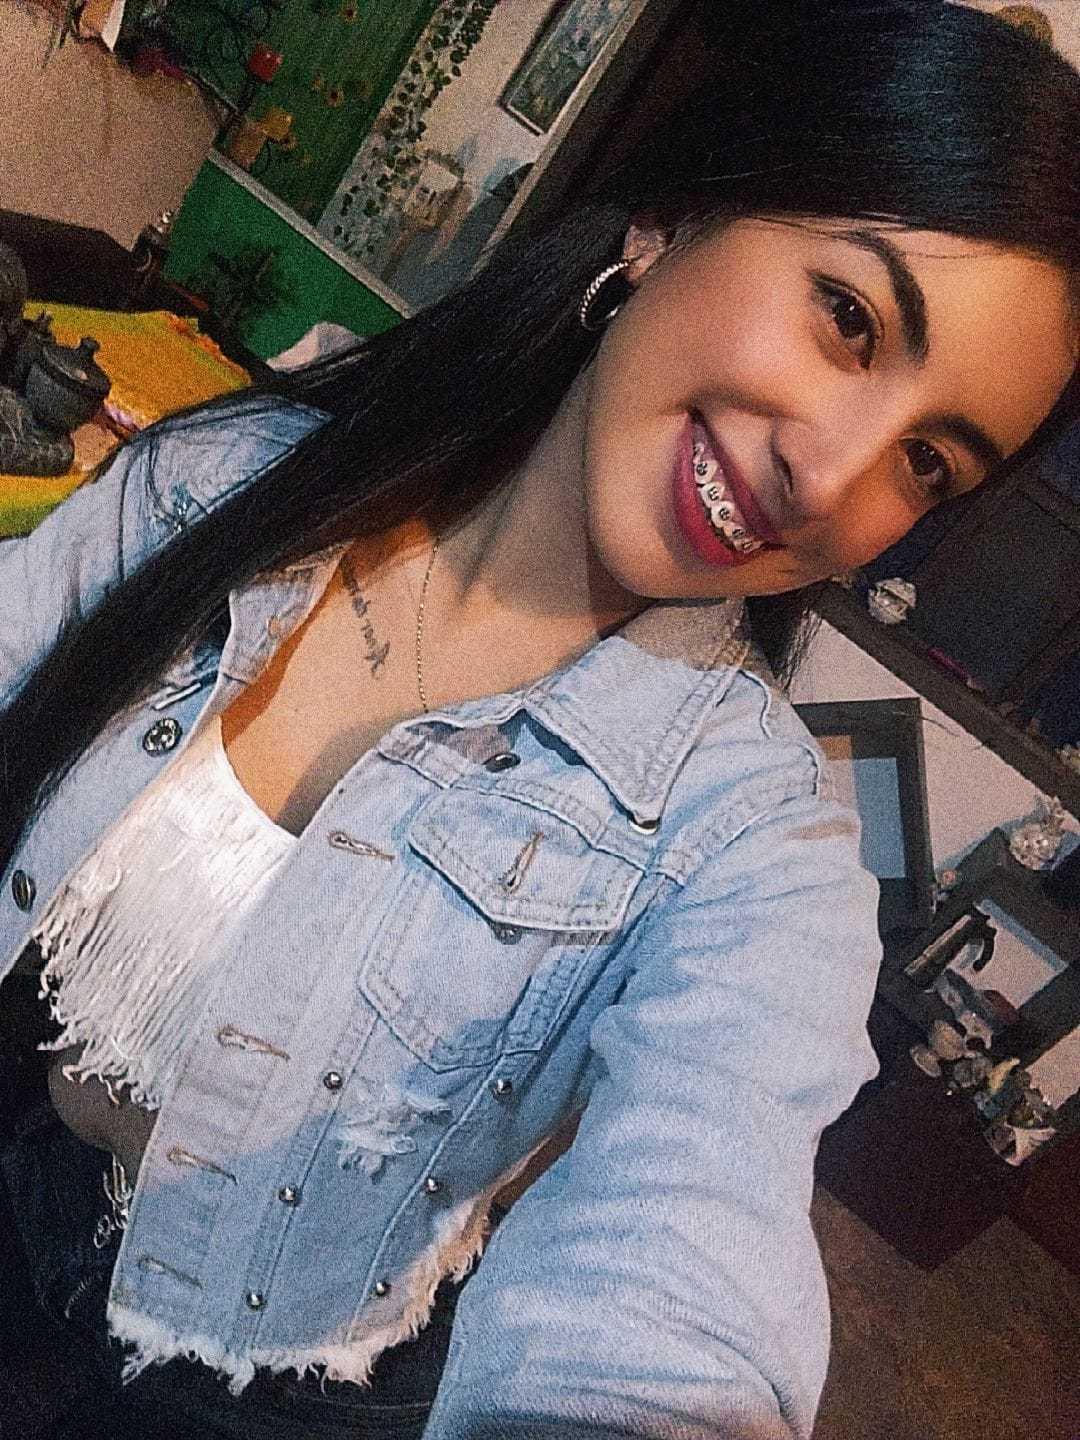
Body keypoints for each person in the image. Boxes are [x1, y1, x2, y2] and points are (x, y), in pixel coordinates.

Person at [0, 3, 1077, 1437]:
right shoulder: (229, 483)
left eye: (928, 463)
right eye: (848, 319)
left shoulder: (751, 852)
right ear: (672, 221)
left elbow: (692, 1241)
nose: (831, 480)